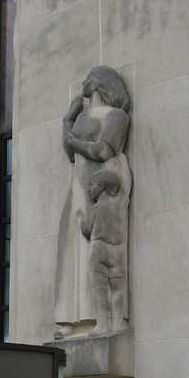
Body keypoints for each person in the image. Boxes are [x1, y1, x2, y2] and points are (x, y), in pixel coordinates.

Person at [54, 66, 132, 338]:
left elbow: (103, 150)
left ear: (99, 84)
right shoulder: (83, 115)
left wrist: (73, 140)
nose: (83, 82)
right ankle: (75, 318)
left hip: (101, 181)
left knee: (96, 252)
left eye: (89, 78)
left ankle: (107, 319)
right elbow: (70, 151)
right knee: (73, 251)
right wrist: (67, 121)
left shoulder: (117, 116)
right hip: (79, 182)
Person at [79, 169, 129, 335]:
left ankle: (102, 324)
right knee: (118, 288)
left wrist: (81, 219)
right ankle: (118, 323)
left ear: (101, 186)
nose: (89, 189)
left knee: (99, 288)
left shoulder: (95, 209)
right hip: (117, 251)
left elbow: (87, 230)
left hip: (99, 249)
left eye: (91, 185)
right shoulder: (120, 208)